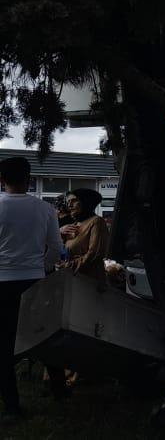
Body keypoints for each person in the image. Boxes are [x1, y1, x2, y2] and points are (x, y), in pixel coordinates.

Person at [0, 157, 60, 423]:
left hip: (2, 282)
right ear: (29, 178)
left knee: (3, 345)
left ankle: (12, 406)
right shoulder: (45, 209)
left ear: (2, 180)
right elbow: (56, 248)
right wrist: (43, 268)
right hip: (34, 279)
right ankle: (59, 389)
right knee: (44, 335)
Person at [59, 188, 110, 284]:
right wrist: (60, 233)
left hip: (89, 281)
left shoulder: (96, 222)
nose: (69, 205)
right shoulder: (74, 225)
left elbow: (94, 255)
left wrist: (68, 266)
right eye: (68, 202)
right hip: (72, 278)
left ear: (85, 202)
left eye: (74, 201)